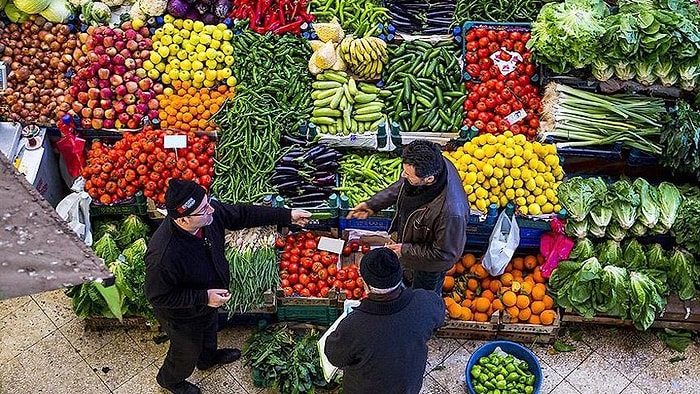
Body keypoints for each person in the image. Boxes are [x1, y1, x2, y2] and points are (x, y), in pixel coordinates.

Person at [145, 179, 311, 394]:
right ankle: (171, 380)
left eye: (208, 202)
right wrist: (203, 298)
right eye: (204, 208)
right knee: (186, 350)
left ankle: (208, 359)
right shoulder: (163, 255)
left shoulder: (207, 217)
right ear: (184, 220)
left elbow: (241, 214)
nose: (211, 209)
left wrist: (287, 215)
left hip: (210, 298)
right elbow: (158, 297)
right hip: (181, 315)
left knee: (210, 331)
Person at [347, 139, 469, 292]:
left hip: (429, 267)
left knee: (423, 296)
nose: (403, 175)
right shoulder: (435, 164)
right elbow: (405, 185)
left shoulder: (451, 213)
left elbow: (445, 255)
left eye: (408, 174)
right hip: (414, 245)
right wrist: (373, 204)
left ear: (429, 179)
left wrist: (405, 250)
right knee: (407, 282)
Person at [324, 248, 444, 394]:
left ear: (365, 285)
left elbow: (334, 357)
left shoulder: (354, 325)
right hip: (408, 387)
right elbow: (438, 318)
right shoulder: (426, 301)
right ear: (400, 276)